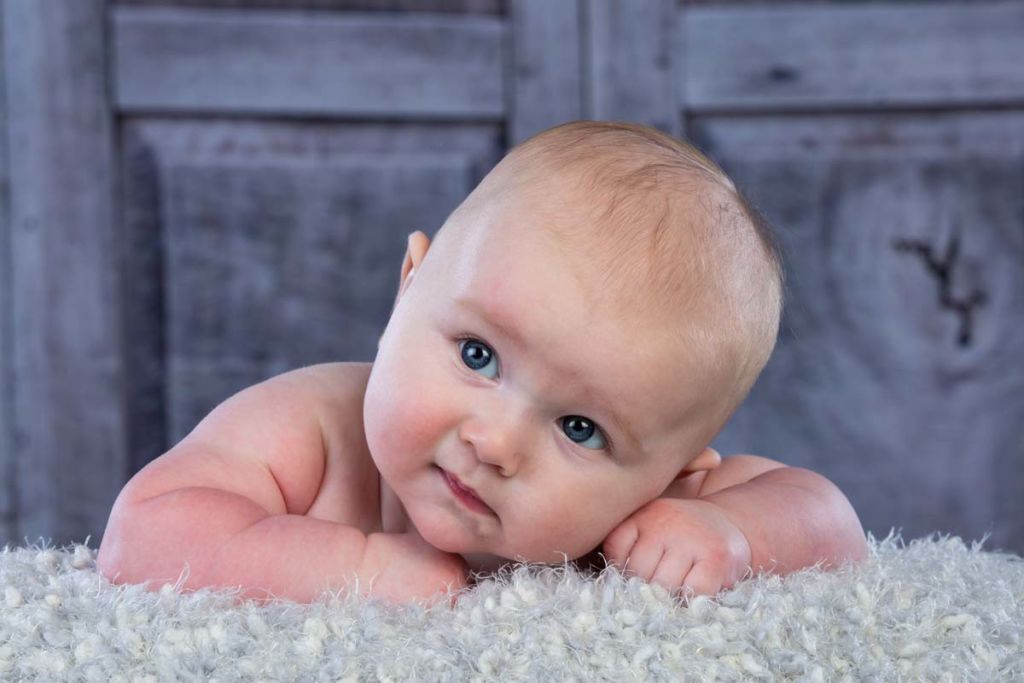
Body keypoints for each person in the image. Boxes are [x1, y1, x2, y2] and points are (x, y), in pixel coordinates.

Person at [97, 120, 867, 607]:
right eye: (478, 354)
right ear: (409, 286)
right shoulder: (310, 427)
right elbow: (144, 535)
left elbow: (831, 522)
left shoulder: (653, 509)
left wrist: (725, 528)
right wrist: (354, 567)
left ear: (669, 470)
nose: (497, 442)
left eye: (580, 427)